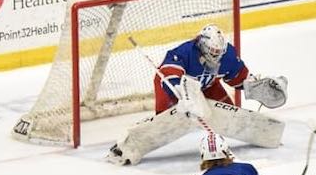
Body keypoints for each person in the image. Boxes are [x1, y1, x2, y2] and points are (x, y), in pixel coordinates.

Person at [107, 23, 287, 166]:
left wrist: (254, 85)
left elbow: (238, 78)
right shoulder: (184, 53)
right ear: (202, 45)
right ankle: (126, 147)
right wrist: (181, 95)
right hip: (175, 87)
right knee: (169, 120)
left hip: (207, 85)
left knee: (229, 113)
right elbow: (169, 75)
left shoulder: (228, 55)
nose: (216, 56)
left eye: (219, 52)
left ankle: (263, 133)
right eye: (213, 52)